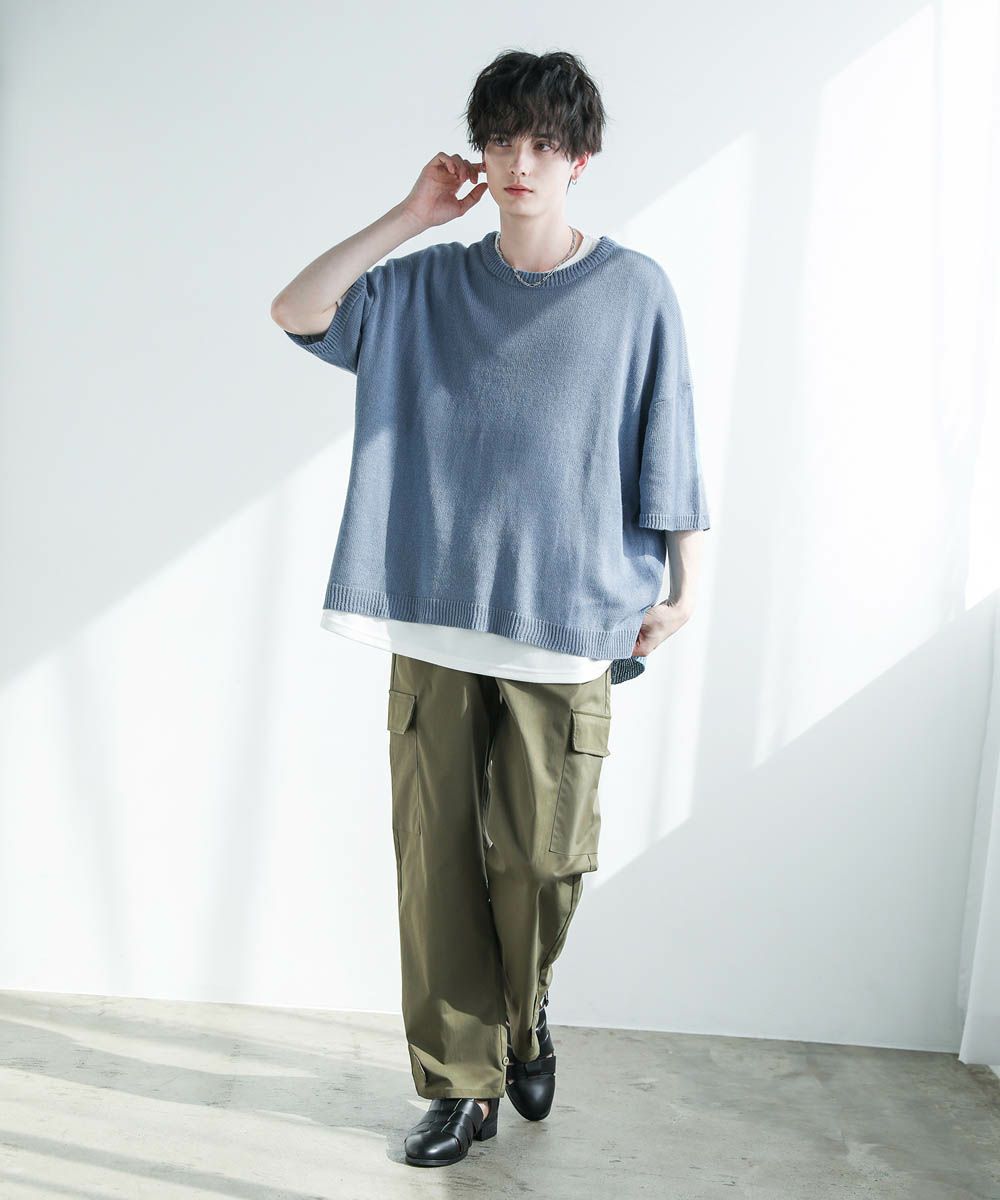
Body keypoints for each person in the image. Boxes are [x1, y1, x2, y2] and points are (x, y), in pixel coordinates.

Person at [270, 48, 710, 1169]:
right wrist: (410, 216)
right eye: (502, 140)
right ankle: (460, 1086)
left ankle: (526, 1014)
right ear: (480, 151)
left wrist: (686, 587)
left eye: (544, 143)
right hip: (431, 614)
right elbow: (298, 308)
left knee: (541, 864)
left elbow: (669, 440)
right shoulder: (424, 289)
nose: (521, 162)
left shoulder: (633, 291)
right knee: (438, 871)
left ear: (580, 159)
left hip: (570, 624)